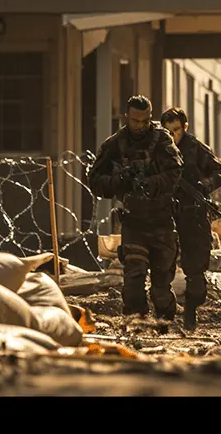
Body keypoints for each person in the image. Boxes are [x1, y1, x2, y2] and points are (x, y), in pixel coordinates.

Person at [88, 95, 183, 319]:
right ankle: (136, 326)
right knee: (133, 280)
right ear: (126, 118)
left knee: (161, 287)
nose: (140, 126)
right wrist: (119, 179)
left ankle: (165, 327)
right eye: (135, 121)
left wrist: (152, 183)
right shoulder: (114, 144)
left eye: (144, 121)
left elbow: (175, 172)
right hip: (134, 221)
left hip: (162, 220)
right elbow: (96, 182)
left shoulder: (162, 140)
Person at [160, 106, 221, 330]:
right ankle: (165, 316)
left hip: (194, 214)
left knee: (196, 272)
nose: (173, 135)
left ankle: (190, 313)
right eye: (168, 131)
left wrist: (205, 186)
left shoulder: (196, 148)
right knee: (161, 268)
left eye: (177, 130)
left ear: (185, 128)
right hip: (165, 215)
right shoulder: (156, 150)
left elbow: (219, 171)